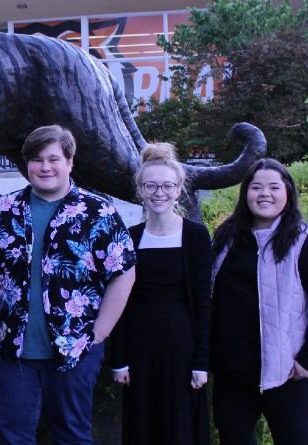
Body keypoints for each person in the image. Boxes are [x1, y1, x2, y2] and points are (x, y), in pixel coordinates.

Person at [0, 124, 137, 444]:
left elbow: (123, 272)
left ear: (69, 162)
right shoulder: (3, 211)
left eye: (53, 159)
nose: (45, 167)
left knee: (72, 437)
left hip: (76, 348)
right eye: (37, 159)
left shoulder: (97, 211)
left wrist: (98, 334)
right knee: (12, 438)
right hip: (11, 350)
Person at [210, 159, 308, 445]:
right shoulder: (227, 237)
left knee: (293, 438)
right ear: (245, 193)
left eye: (273, 187)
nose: (264, 194)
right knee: (232, 437)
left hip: (290, 368)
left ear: (288, 192)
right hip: (233, 368)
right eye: (256, 187)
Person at [110, 142, 212, 444]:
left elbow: (203, 302)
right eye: (151, 186)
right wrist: (119, 358)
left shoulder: (196, 236)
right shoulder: (130, 237)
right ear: (140, 190)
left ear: (178, 190)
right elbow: (121, 303)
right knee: (143, 426)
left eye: (167, 186)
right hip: (140, 348)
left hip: (182, 348)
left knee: (180, 428)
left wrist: (201, 362)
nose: (159, 193)